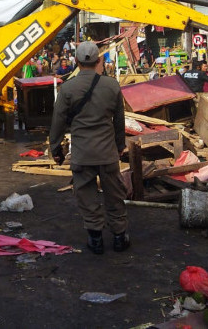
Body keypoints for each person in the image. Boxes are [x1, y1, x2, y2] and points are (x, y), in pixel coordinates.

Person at [48, 41, 129, 255]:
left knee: (87, 196)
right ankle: (119, 237)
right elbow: (119, 122)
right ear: (98, 61)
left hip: (83, 154)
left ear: (76, 61)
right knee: (114, 195)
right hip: (107, 152)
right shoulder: (112, 86)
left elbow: (57, 122)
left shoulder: (67, 88)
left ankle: (95, 239)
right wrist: (120, 146)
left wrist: (55, 149)